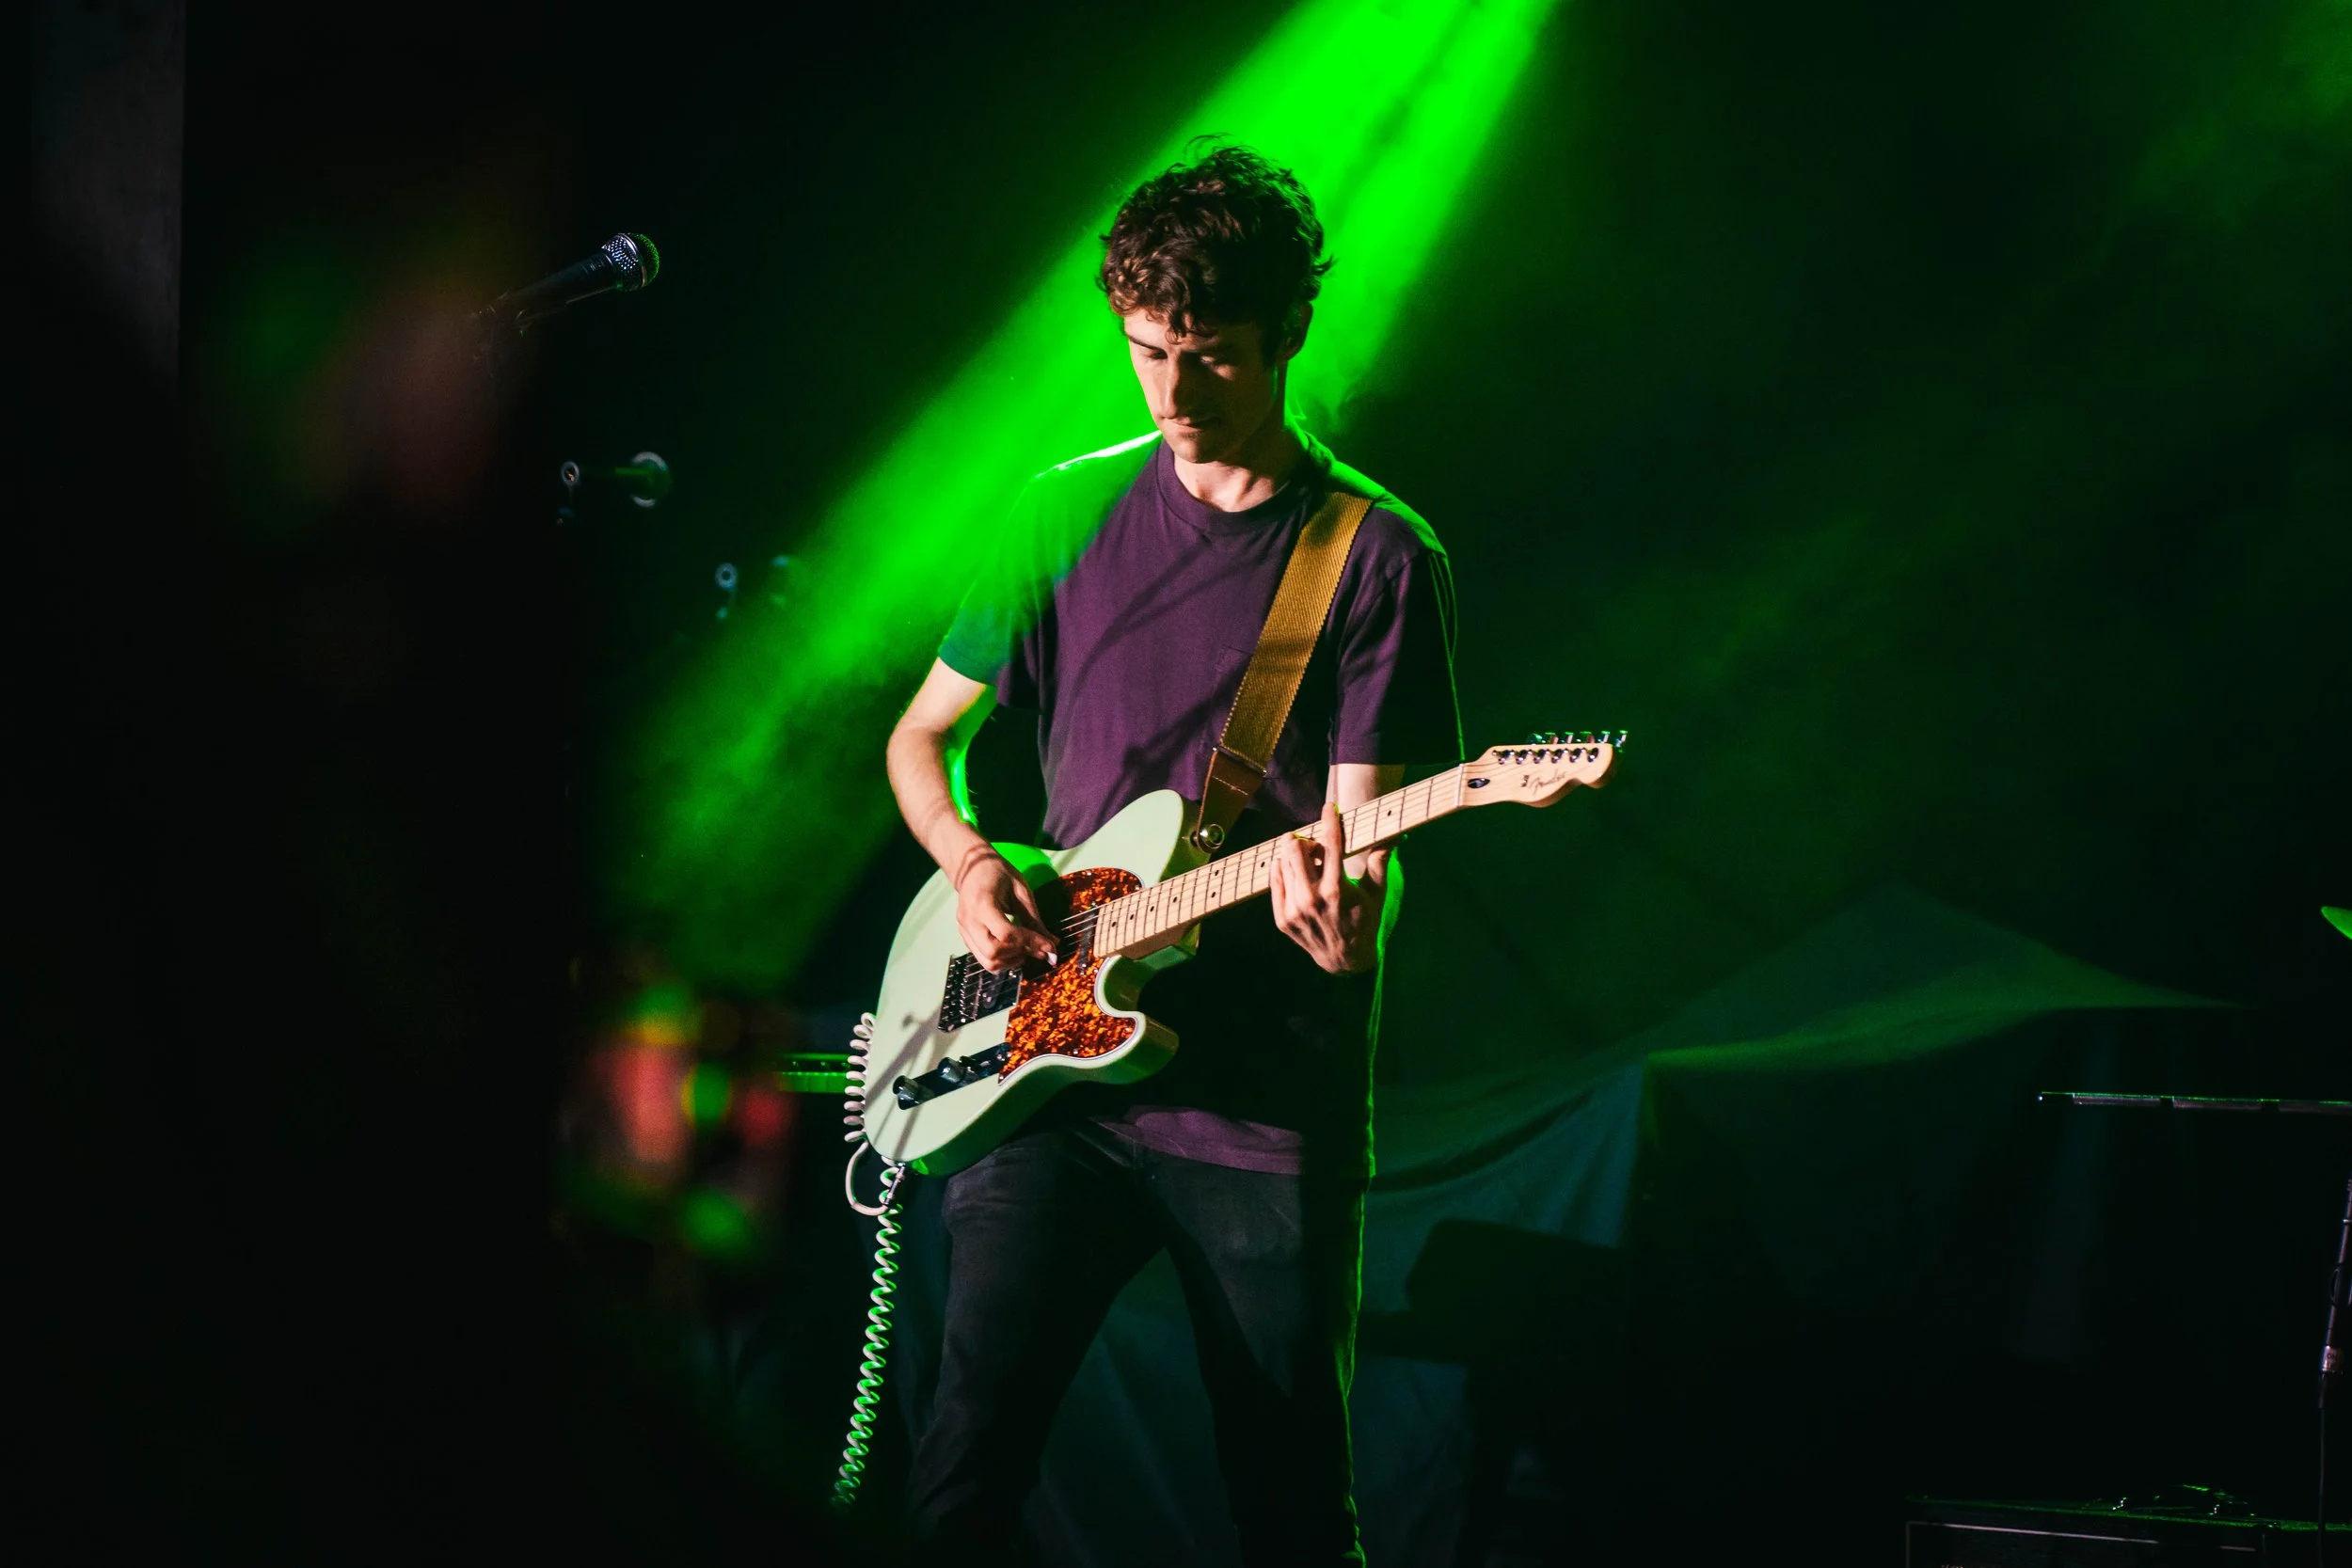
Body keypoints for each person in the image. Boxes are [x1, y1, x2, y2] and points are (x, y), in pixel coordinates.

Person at [882, 142, 1461, 1564]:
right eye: (1147, 351)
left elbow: (1360, 840)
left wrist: (1351, 924)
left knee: (1288, 1502)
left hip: (1260, 1098)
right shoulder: (1058, 511)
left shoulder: (1375, 557)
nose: (1173, 393)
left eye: (1210, 357)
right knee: (959, 1474)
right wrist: (970, 861)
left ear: (1288, 333)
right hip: (1045, 1065)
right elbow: (920, 740)